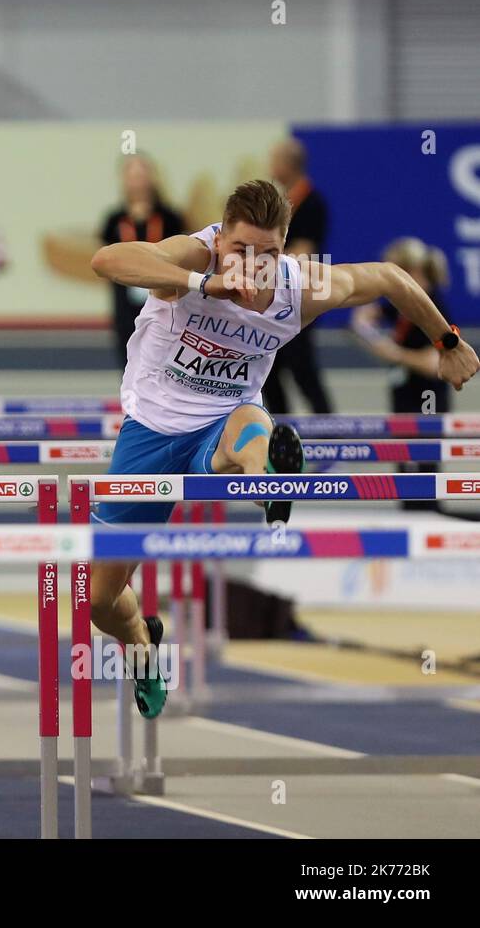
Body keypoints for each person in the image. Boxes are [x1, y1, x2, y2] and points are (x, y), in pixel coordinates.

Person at [90, 179, 477, 719]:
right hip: (151, 430)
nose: (253, 264)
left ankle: (267, 475)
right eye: (241, 249)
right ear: (221, 237)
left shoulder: (302, 287)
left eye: (268, 253)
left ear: (286, 246)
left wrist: (449, 342)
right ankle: (143, 641)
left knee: (250, 421)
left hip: (224, 422)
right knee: (99, 601)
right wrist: (203, 285)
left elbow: (390, 278)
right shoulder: (195, 255)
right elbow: (108, 260)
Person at [351, 237, 455, 511]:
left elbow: (437, 363)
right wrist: (369, 331)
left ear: (412, 273)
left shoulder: (434, 307)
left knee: (424, 460)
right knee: (402, 456)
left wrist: (395, 354)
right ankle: (409, 513)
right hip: (404, 390)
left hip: (428, 393)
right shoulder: (402, 304)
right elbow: (363, 317)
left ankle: (427, 518)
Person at [260, 138, 336, 414]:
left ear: (287, 165)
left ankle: (330, 435)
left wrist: (260, 264)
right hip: (276, 292)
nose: (269, 166)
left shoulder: (312, 202)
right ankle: (280, 431)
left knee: (301, 366)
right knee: (268, 368)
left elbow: (302, 251)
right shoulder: (279, 202)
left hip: (302, 294)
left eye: (273, 160)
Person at [98, 155, 186, 371]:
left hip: (163, 298)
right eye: (132, 176)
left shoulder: (169, 218)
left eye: (141, 174)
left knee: (162, 358)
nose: (137, 181)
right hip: (125, 300)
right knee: (130, 358)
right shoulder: (114, 220)